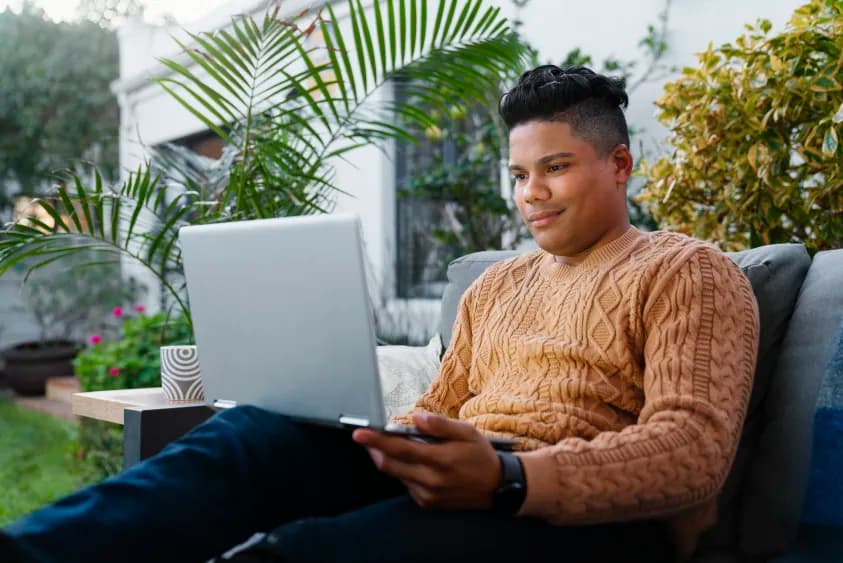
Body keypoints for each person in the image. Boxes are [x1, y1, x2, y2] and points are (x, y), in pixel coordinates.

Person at [1, 65, 759, 563]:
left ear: (618, 164)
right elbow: (440, 405)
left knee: (298, 551)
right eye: (519, 174)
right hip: (476, 470)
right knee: (249, 435)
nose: (531, 193)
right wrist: (403, 444)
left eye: (555, 168)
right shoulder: (496, 286)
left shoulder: (688, 270)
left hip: (591, 524)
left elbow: (691, 451)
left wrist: (508, 476)